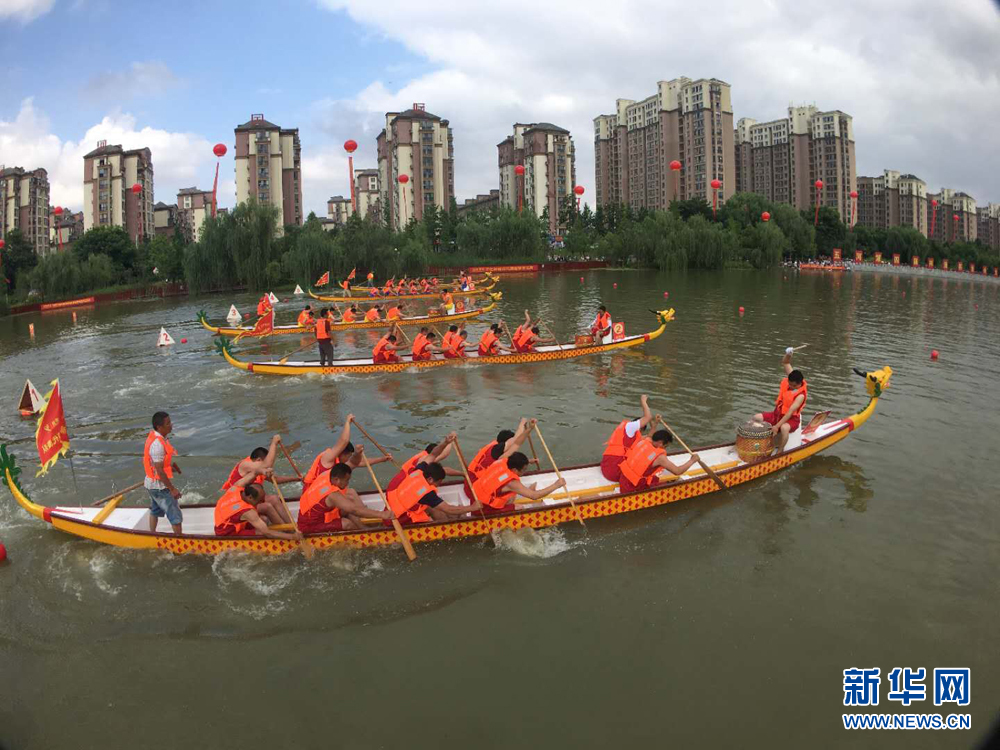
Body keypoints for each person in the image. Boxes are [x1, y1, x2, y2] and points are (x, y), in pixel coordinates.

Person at [471, 422, 565, 513]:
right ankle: (512, 505)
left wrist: (529, 429)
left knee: (511, 494)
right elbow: (534, 496)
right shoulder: (512, 483)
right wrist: (556, 485)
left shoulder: (501, 460)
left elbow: (516, 444)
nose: (524, 472)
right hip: (484, 509)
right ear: (515, 469)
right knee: (520, 507)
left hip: (474, 498)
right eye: (523, 470)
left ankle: (519, 494)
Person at [220, 435, 299, 523]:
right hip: (237, 503)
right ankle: (287, 533)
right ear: (258, 460)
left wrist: (297, 478)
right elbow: (267, 465)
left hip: (250, 500)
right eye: (263, 461)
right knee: (267, 508)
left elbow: (275, 480)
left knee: (274, 498)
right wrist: (274, 443)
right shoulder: (245, 464)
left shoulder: (258, 469)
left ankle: (291, 525)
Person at [302, 414, 392, 489]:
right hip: (312, 492)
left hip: (324, 492)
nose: (349, 459)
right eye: (348, 456)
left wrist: (383, 459)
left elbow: (360, 462)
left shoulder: (339, 465)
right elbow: (343, 441)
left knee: (350, 492)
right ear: (342, 453)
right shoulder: (327, 458)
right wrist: (347, 422)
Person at [214, 468, 303, 540]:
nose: (261, 502)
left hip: (229, 521)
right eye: (259, 500)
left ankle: (287, 530)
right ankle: (288, 534)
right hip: (227, 533)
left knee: (263, 519)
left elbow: (255, 472)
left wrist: (264, 471)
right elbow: (267, 533)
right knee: (261, 532)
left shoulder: (235, 488)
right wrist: (292, 537)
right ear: (250, 498)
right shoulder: (247, 511)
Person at [297, 463, 391, 532]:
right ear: (336, 479)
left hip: (315, 514)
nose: (347, 483)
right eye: (346, 480)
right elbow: (355, 510)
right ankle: (363, 537)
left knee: (347, 507)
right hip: (309, 526)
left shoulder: (327, 474)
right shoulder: (333, 495)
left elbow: (353, 462)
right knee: (347, 523)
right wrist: (382, 514)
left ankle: (365, 529)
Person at [386, 461, 480, 524]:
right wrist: (473, 507)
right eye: (438, 483)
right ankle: (446, 525)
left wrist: (446, 442)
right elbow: (449, 509)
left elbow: (433, 454)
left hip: (391, 507)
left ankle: (447, 519)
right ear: (430, 479)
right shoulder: (427, 494)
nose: (438, 485)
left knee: (432, 507)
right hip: (399, 519)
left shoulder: (419, 470)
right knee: (438, 508)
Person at [753, 349, 808, 453]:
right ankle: (756, 441)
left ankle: (781, 450)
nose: (791, 387)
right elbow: (786, 362)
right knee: (756, 418)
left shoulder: (800, 395)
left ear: (800, 383)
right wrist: (788, 354)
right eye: (790, 384)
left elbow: (790, 412)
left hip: (791, 419)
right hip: (777, 414)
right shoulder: (792, 376)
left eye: (794, 386)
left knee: (784, 428)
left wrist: (776, 426)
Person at [618, 428, 699, 494]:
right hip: (632, 487)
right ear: (660, 443)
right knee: (664, 483)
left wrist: (656, 422)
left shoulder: (643, 441)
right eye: (665, 446)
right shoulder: (660, 458)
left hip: (623, 479)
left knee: (655, 478)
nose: (665, 448)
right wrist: (692, 460)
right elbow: (678, 471)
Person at [143, 411, 184, 533]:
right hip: (159, 487)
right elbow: (159, 471)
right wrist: (172, 489)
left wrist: (171, 468)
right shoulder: (157, 445)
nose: (171, 425)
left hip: (151, 484)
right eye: (168, 423)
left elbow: (157, 466)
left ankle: (152, 534)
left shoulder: (159, 438)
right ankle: (180, 543)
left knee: (155, 510)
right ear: (159, 427)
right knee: (175, 516)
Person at [600, 395, 654, 482]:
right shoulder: (630, 427)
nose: (641, 433)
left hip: (606, 466)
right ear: (640, 426)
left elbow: (649, 437)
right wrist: (643, 401)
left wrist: (653, 425)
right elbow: (647, 417)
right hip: (615, 470)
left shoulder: (633, 436)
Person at [385, 432, 463, 492]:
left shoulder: (422, 455)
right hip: (403, 487)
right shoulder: (425, 459)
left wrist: (449, 440)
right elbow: (445, 456)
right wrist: (464, 474)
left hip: (396, 483)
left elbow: (442, 461)